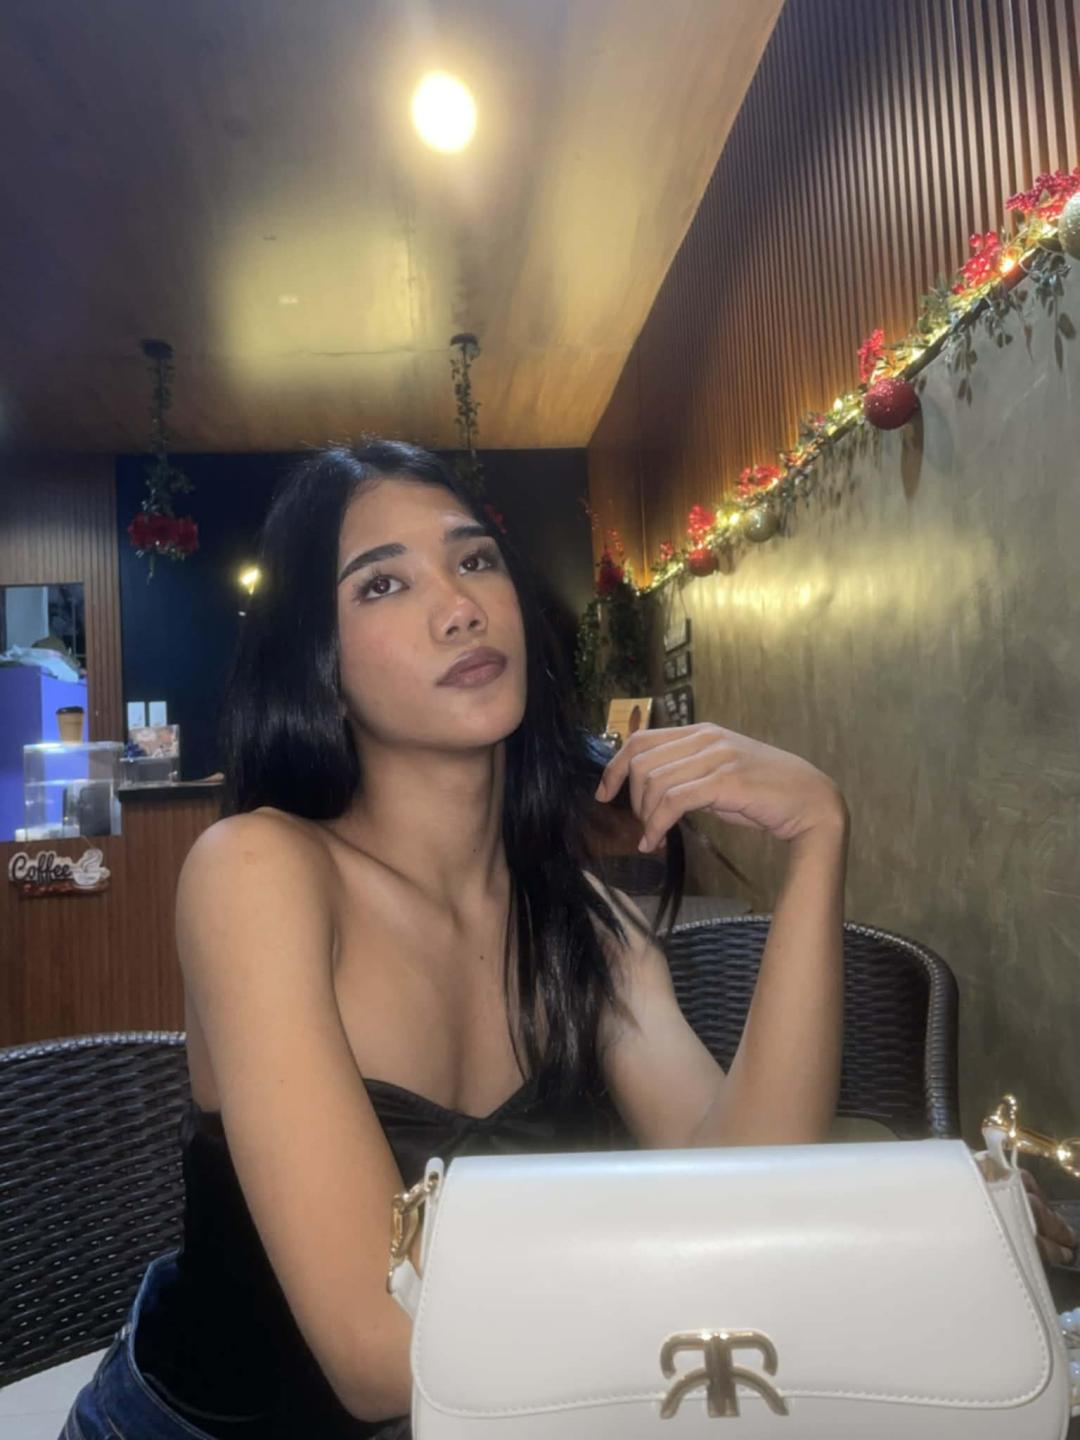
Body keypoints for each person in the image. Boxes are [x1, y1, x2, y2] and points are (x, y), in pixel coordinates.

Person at [59, 440, 1070, 1440]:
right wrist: (778, 1266)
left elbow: (749, 1178)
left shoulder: (581, 917)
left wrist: (816, 842)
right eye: (382, 585)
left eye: (474, 559)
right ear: (317, 666)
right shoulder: (258, 872)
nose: (459, 606)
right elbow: (379, 1351)